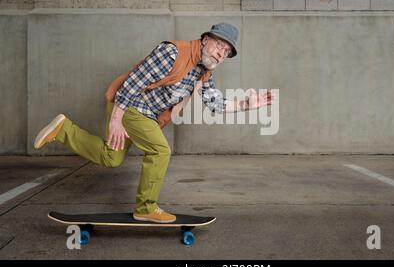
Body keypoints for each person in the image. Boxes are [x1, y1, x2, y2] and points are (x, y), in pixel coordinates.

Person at [33, 23, 273, 223]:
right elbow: (133, 82)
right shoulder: (172, 52)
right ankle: (146, 208)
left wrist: (246, 105)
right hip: (130, 105)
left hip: (145, 114)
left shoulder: (203, 72)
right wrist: (117, 119)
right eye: (219, 45)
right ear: (205, 39)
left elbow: (216, 103)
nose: (221, 54)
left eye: (227, 51)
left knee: (111, 158)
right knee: (160, 150)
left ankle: (64, 129)